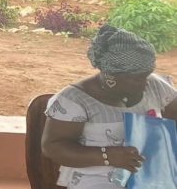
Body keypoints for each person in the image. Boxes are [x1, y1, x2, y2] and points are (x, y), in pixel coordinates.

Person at [41, 25, 177, 189]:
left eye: (146, 76)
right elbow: (53, 147)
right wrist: (107, 156)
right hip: (96, 176)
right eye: (137, 79)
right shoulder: (75, 99)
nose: (146, 83)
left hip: (153, 172)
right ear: (111, 76)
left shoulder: (156, 85)